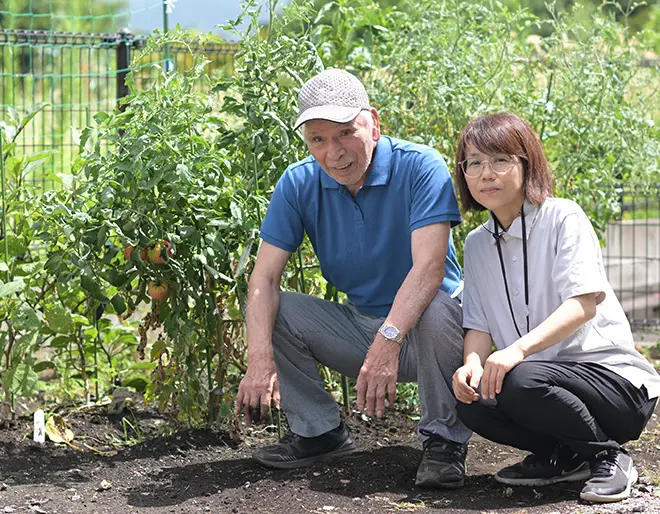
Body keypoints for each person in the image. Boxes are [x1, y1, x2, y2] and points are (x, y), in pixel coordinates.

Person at [234, 68, 471, 488]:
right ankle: (318, 432)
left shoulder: (420, 166)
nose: (334, 152)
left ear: (373, 124)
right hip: (361, 329)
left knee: (437, 305)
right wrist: (259, 360)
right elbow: (263, 280)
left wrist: (387, 342)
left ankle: (444, 442)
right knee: (275, 307)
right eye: (318, 140)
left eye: (346, 133)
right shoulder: (298, 183)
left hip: (437, 336)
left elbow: (429, 269)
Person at [451, 112, 660, 503]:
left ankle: (609, 457)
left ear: (526, 163)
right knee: (471, 399)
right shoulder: (477, 243)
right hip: (540, 387)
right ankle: (562, 457)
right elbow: (478, 323)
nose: (486, 173)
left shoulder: (563, 217)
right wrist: (472, 365)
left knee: (521, 379)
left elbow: (583, 305)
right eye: (474, 162)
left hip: (614, 385)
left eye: (500, 160)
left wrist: (516, 350)